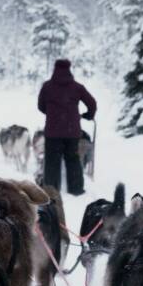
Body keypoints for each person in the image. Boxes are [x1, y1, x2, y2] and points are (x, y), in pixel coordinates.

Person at [37, 59, 97, 196]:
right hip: (72, 132)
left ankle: (51, 191)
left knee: (52, 161)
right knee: (73, 159)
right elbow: (92, 103)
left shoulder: (47, 86)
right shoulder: (77, 87)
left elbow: (40, 106)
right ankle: (76, 189)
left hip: (52, 131)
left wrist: (52, 113)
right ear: (69, 69)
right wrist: (88, 115)